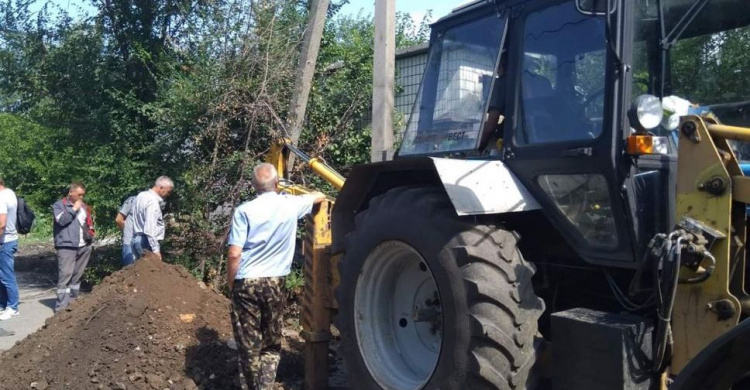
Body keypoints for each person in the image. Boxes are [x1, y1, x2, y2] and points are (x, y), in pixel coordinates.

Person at [227, 163, 325, 390]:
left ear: (253, 185)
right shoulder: (291, 205)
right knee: (271, 344)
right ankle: (266, 386)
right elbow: (318, 196)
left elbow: (234, 254)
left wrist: (232, 283)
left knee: (248, 345)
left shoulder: (244, 211)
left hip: (246, 282)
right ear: (277, 183)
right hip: (275, 283)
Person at [52, 182, 95, 313]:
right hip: (66, 246)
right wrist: (74, 209)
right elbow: (62, 220)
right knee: (65, 276)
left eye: (83, 195)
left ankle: (73, 305)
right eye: (79, 195)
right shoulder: (59, 205)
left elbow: (88, 223)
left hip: (83, 246)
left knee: (77, 277)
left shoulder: (84, 207)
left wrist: (91, 234)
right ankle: (61, 309)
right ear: (71, 193)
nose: (81, 198)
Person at [131, 176, 174, 261]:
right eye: (168, 192)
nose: (168, 195)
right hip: (146, 242)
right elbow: (150, 228)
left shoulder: (141, 196)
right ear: (161, 187)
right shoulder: (152, 202)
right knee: (150, 271)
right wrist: (156, 250)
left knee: (140, 272)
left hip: (136, 239)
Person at [0, 177, 20, 321]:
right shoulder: (10, 193)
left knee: (6, 276)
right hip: (10, 239)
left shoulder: (1, 197)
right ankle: (4, 305)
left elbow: (1, 224)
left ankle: (12, 307)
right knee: (3, 275)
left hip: (4, 241)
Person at [116, 196, 136, 266]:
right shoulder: (132, 200)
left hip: (145, 243)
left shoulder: (153, 202)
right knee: (130, 271)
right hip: (129, 243)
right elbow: (119, 220)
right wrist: (127, 230)